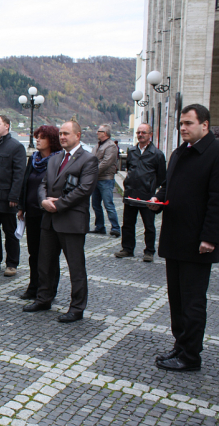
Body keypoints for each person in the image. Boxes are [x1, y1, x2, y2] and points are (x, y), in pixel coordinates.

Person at [149, 104, 219, 372]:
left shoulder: (214, 152)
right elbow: (169, 185)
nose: (182, 128)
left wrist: (210, 237)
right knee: (176, 299)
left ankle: (191, 356)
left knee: (192, 302)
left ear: (205, 125)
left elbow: (217, 199)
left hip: (198, 242)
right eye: (181, 123)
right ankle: (180, 344)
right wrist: (157, 199)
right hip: (175, 237)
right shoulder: (180, 152)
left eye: (188, 123)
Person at [23, 121, 98, 322]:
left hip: (71, 221)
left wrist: (58, 204)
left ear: (78, 135)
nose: (63, 137)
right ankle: (44, 298)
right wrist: (43, 201)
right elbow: (43, 184)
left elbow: (84, 190)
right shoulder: (55, 159)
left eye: (66, 133)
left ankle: (77, 307)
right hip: (49, 220)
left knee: (76, 267)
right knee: (45, 263)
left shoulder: (88, 159)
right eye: (61, 134)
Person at [17, 125, 63, 299]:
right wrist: (21, 207)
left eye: (41, 137)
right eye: (36, 137)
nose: (37, 140)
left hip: (48, 213)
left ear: (51, 140)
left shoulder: (57, 160)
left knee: (49, 254)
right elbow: (25, 183)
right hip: (32, 213)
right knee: (33, 253)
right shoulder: (34, 159)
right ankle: (34, 285)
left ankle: (48, 288)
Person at [114, 123, 166, 263]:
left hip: (147, 196)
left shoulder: (157, 154)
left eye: (143, 132)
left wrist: (152, 187)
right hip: (131, 193)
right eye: (138, 132)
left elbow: (162, 176)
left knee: (149, 225)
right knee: (128, 224)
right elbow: (130, 168)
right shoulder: (132, 151)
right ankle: (127, 248)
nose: (140, 135)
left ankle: (149, 251)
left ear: (150, 135)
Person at [0, 115, 26, 277]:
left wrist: (14, 197)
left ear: (7, 126)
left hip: (7, 198)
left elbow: (19, 175)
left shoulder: (16, 147)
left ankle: (12, 263)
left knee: (10, 232)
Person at [90, 124, 120, 237]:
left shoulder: (111, 146)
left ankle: (115, 228)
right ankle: (100, 226)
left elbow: (106, 162)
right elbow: (92, 159)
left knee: (108, 204)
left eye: (99, 131)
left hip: (106, 179)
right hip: (96, 179)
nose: (97, 132)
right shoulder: (97, 145)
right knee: (95, 204)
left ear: (105, 133)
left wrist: (92, 171)